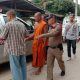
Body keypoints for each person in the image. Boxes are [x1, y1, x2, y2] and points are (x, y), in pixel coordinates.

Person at [0, 10, 29, 80]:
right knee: (23, 66)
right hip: (22, 49)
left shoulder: (8, 25)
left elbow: (2, 37)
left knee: (15, 68)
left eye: (7, 16)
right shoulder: (22, 24)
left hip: (13, 50)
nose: (7, 18)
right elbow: (27, 35)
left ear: (10, 16)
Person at [36, 14, 65, 80]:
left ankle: (63, 69)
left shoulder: (59, 26)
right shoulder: (50, 27)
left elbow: (53, 34)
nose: (47, 21)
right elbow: (48, 36)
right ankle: (49, 78)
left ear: (53, 18)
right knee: (49, 65)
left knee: (60, 62)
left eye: (48, 19)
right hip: (50, 49)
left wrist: (41, 36)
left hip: (57, 49)